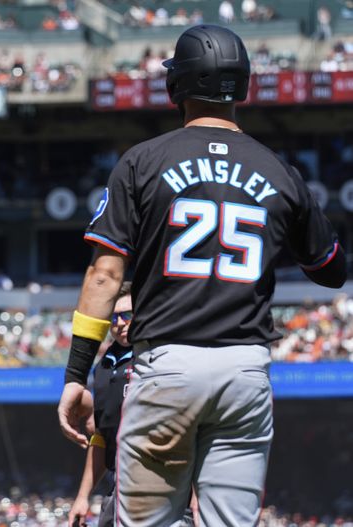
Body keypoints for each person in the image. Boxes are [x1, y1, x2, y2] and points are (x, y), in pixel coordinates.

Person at [58, 24, 346, 527]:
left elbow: (105, 276)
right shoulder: (279, 171)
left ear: (179, 85)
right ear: (244, 85)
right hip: (244, 369)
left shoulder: (142, 162)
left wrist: (76, 375)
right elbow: (330, 269)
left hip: (168, 364)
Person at [68, 282, 134, 527]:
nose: (120, 323)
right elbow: (100, 437)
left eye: (127, 314)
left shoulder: (157, 357)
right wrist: (83, 497)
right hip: (118, 484)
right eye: (114, 317)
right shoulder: (104, 367)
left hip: (160, 480)